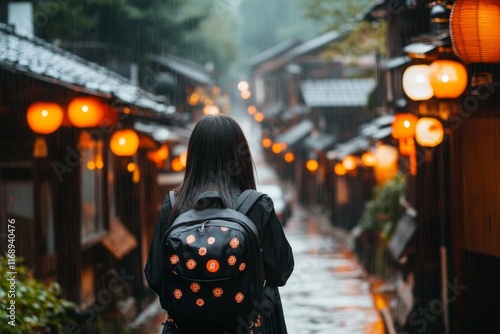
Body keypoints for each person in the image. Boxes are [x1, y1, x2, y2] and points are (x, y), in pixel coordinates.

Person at [144, 114, 294, 334]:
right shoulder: (257, 206)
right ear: (239, 154)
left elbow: (155, 275)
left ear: (194, 155)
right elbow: (281, 271)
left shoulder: (174, 205)